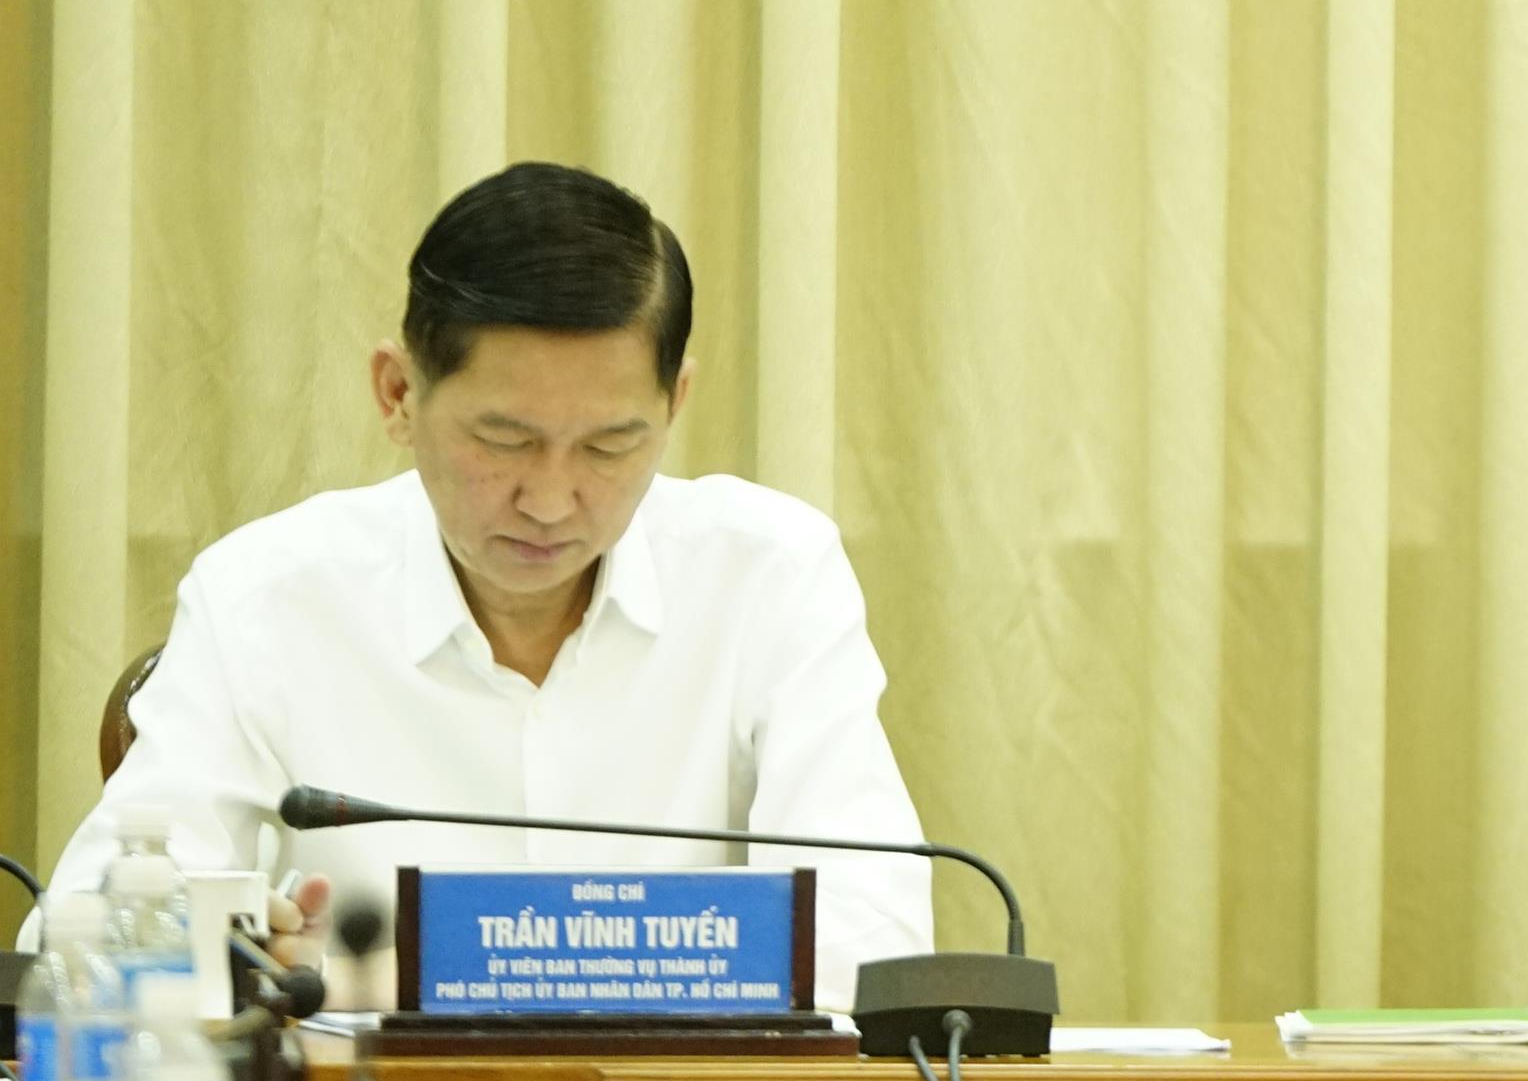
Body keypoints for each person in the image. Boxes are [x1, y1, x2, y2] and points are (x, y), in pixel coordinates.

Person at [32, 163, 931, 1001]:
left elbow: (876, 947)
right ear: (398, 394)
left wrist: (385, 976)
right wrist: (230, 956)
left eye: (609, 446)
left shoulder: (770, 576)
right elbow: (77, 950)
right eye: (504, 440)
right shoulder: (264, 597)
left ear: (674, 405)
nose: (550, 501)